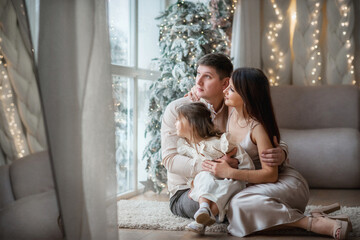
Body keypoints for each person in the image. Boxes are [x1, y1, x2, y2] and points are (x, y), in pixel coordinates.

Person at [201, 67, 350, 239]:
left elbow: (271, 175)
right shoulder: (232, 112)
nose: (225, 91)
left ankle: (311, 223)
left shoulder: (257, 128)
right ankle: (311, 215)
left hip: (282, 183)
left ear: (247, 96)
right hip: (254, 184)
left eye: (232, 89)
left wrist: (231, 172)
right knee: (228, 205)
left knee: (238, 205)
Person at [161, 53, 288, 224]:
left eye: (207, 76)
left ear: (225, 83)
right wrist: (214, 166)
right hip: (186, 190)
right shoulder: (178, 109)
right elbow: (169, 159)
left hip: (228, 181)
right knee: (230, 203)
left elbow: (261, 132)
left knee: (253, 198)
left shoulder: (234, 106)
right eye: (198, 74)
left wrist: (282, 152)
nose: (198, 82)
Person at [175, 102, 254, 233]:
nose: (175, 123)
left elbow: (242, 159)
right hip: (209, 182)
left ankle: (202, 219)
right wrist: (194, 186)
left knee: (228, 187)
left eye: (178, 120)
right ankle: (204, 209)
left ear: (191, 123)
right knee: (203, 175)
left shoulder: (219, 143)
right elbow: (196, 172)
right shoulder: (186, 147)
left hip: (232, 179)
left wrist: (242, 172)